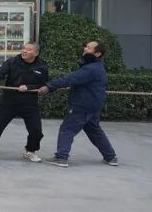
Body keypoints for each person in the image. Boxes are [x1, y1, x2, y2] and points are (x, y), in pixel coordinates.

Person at [30, 40, 118, 168]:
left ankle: (61, 157)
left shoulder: (90, 69)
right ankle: (110, 157)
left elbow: (70, 79)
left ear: (98, 53)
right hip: (93, 105)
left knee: (67, 129)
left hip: (83, 105)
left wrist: (49, 86)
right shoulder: (97, 67)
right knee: (94, 130)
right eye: (86, 46)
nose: (85, 49)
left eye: (89, 48)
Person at [0, 43, 49, 162]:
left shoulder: (42, 66)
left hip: (29, 103)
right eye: (23, 49)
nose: (24, 51)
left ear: (36, 53)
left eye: (28, 50)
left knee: (36, 130)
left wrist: (29, 87)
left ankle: (30, 151)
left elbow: (44, 84)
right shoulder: (13, 62)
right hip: (9, 101)